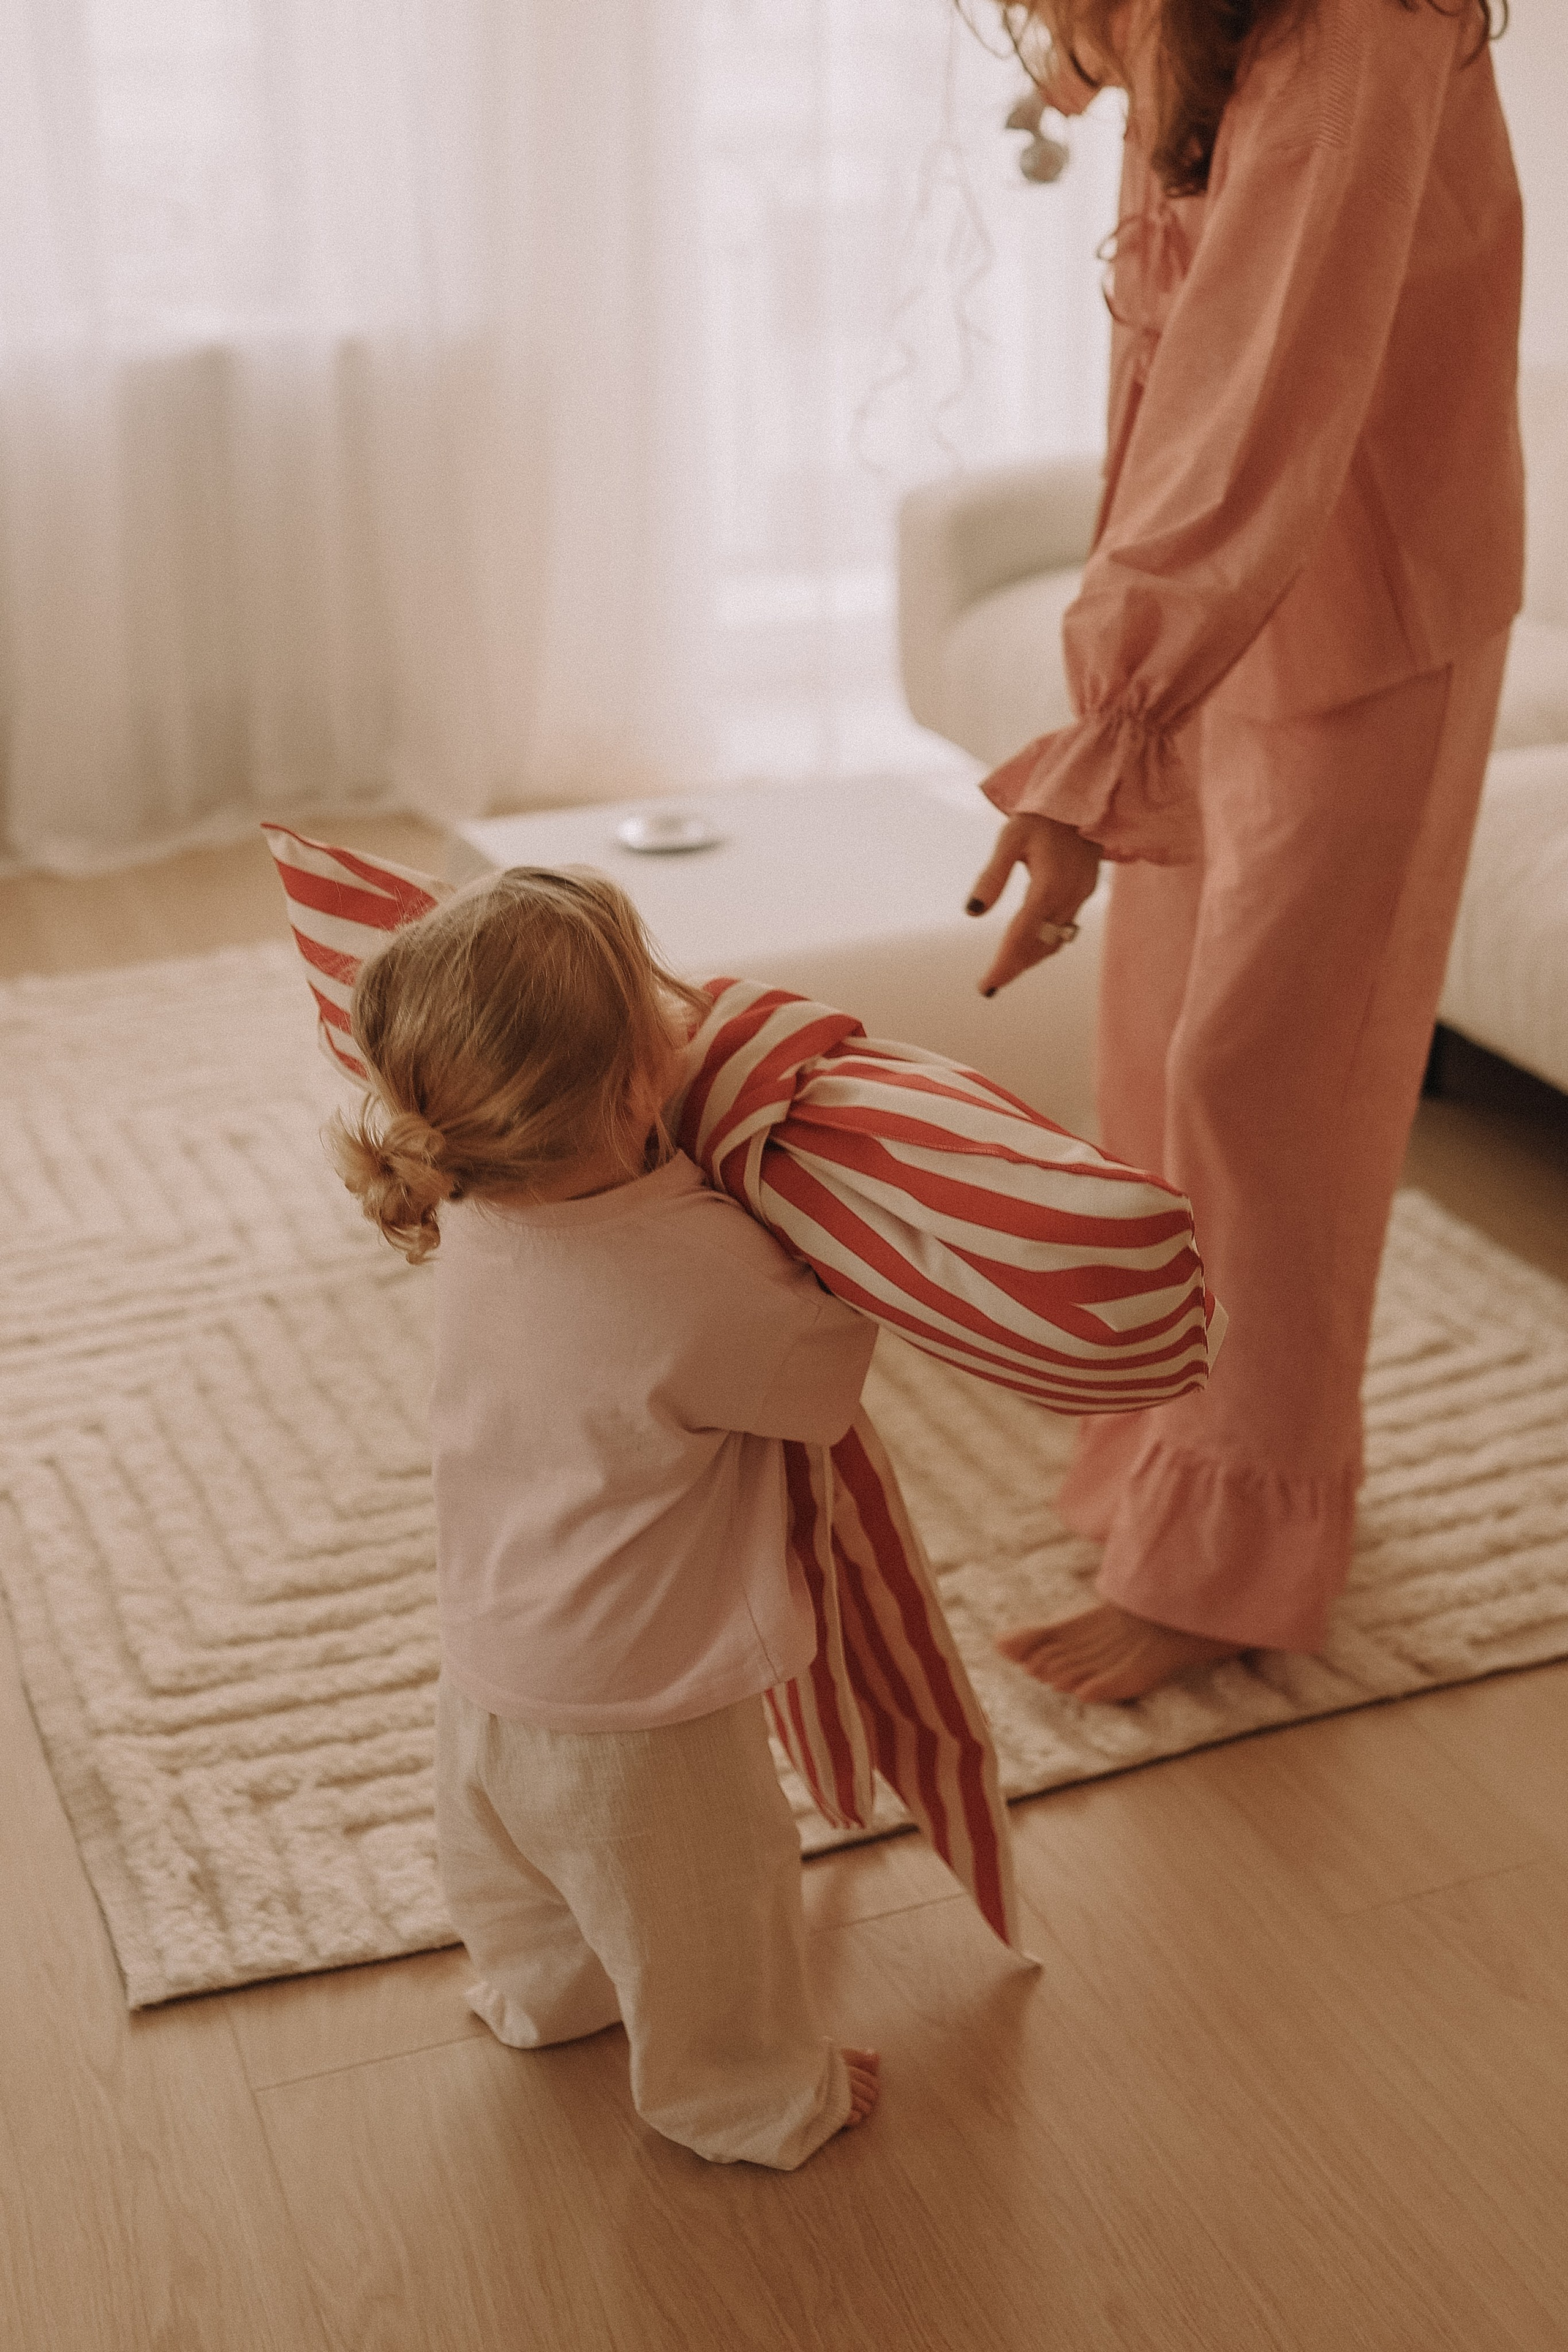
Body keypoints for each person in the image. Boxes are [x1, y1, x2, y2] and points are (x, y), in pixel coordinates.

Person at [963, 0, 1524, 1700]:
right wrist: (1085, 64)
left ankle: (1241, 1553)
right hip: (1223, 604)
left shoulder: (1355, 24)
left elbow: (1260, 383)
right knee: (1157, 1047)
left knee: (1266, 1073)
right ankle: (1171, 1456)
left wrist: (1102, 736)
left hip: (1370, 595)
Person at [328, 867, 881, 2168]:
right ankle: (747, 2096)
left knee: (521, 1888)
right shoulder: (693, 1266)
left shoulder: (461, 1213)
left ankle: (543, 1997)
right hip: (645, 1711)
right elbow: (819, 1388)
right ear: (642, 1083)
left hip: (488, 1663)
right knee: (709, 1923)